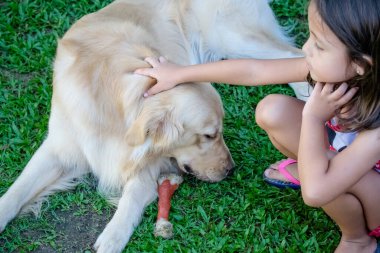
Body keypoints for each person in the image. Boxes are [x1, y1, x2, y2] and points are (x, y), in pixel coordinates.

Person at [135, 0, 380, 252]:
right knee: (272, 111)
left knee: (320, 177)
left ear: (361, 64)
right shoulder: (345, 73)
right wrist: (180, 74)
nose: (305, 49)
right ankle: (314, 167)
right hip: (347, 164)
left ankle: (358, 239)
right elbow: (255, 71)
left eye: (318, 45)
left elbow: (316, 193)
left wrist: (313, 118)